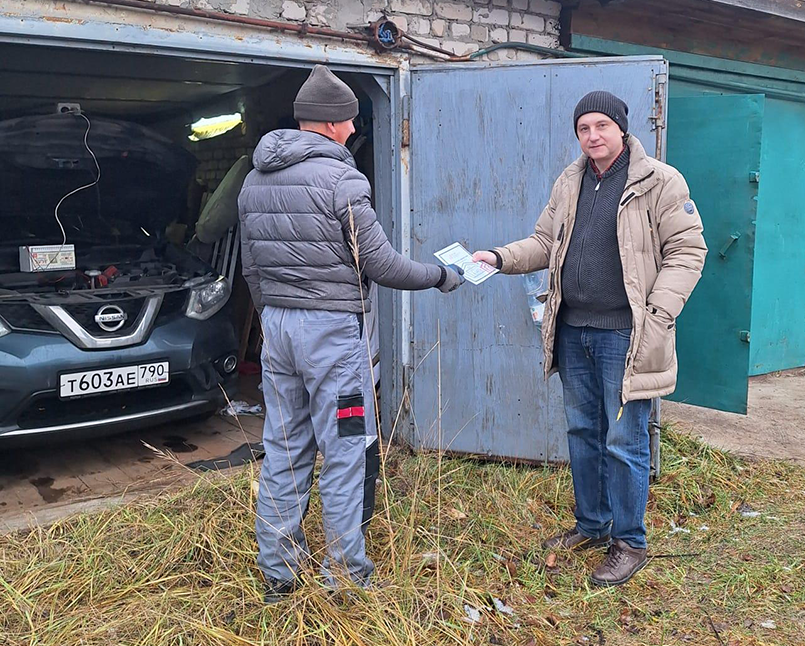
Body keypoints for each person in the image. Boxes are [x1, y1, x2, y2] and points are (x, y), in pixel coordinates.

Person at [238, 65, 464, 602]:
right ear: (337, 124)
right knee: (344, 448)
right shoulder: (343, 181)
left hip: (277, 327)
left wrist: (275, 317)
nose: (354, 130)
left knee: (283, 444)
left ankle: (278, 571)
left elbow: (250, 268)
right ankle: (346, 573)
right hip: (332, 334)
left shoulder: (254, 178)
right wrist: (440, 275)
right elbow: (382, 264)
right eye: (352, 122)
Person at [474, 91, 706, 587]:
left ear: (622, 128)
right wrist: (498, 257)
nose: (593, 135)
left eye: (602, 125)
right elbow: (543, 242)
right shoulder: (570, 180)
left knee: (624, 439)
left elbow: (688, 249)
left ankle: (629, 542)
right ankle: (593, 524)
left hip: (626, 334)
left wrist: (659, 311)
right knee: (582, 432)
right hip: (573, 329)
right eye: (584, 128)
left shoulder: (660, 181)